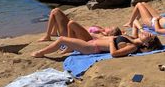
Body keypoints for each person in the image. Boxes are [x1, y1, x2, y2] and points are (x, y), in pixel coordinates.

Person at [32, 20, 162, 58]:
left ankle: (41, 53)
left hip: (92, 48)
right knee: (70, 26)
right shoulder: (133, 40)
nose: (147, 33)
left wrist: (111, 41)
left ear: (147, 43)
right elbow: (135, 22)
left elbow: (114, 54)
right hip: (92, 42)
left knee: (61, 39)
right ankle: (68, 48)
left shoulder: (133, 47)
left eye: (149, 35)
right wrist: (140, 29)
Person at [38, 7, 121, 42]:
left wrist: (102, 32)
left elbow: (113, 38)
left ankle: (48, 36)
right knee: (55, 11)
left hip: (69, 35)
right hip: (71, 30)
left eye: (110, 28)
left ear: (110, 33)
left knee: (56, 11)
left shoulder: (101, 35)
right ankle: (52, 33)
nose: (108, 26)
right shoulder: (101, 29)